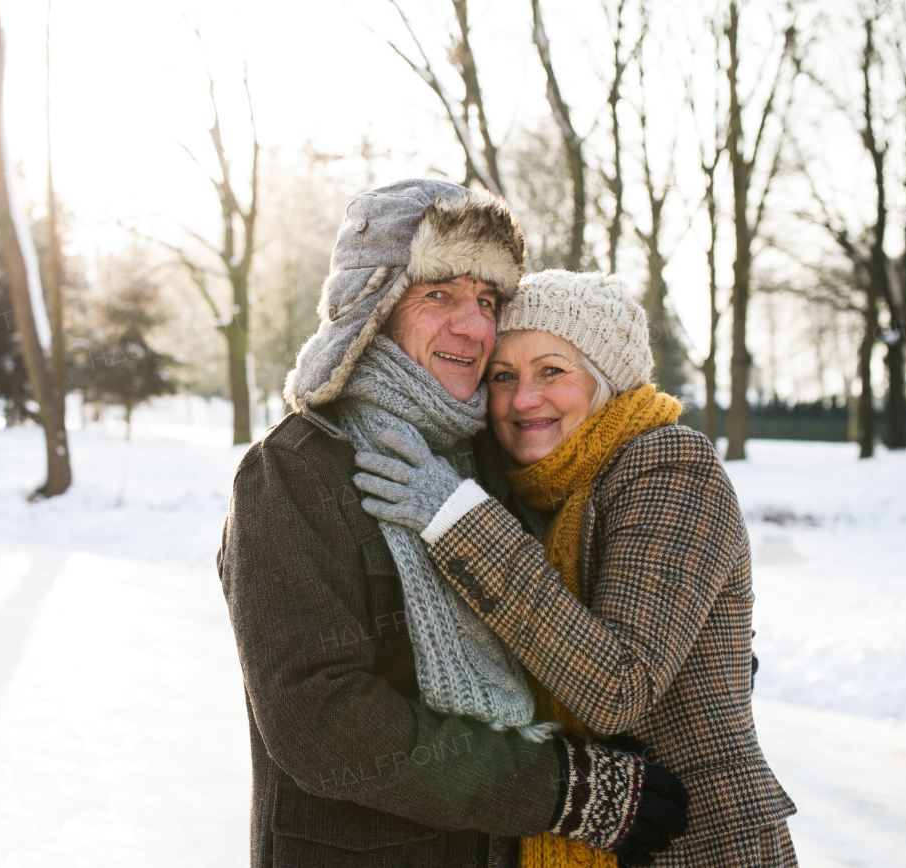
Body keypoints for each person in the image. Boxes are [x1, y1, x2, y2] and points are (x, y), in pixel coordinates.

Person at [218, 182, 688, 868]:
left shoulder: (489, 459)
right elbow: (320, 723)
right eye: (438, 293)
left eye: (488, 300)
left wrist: (680, 636)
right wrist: (560, 790)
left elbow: (567, 617)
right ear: (372, 305)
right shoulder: (293, 472)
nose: (475, 327)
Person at [352, 269, 797, 866]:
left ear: (605, 380)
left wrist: (456, 517)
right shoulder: (543, 489)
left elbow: (616, 689)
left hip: (692, 844)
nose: (523, 398)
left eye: (552, 371)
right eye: (503, 376)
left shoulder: (671, 466)